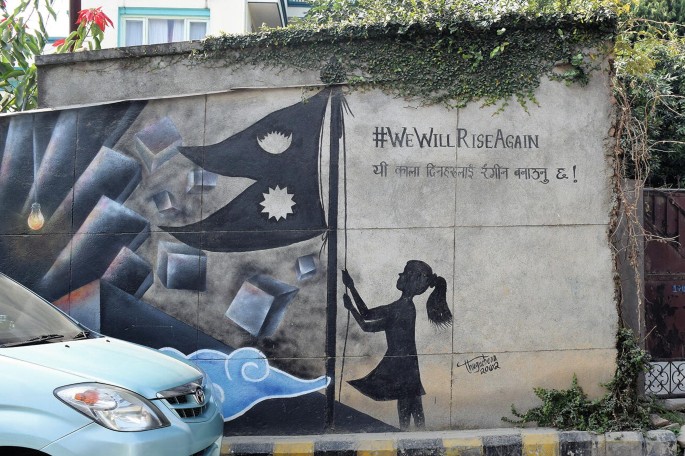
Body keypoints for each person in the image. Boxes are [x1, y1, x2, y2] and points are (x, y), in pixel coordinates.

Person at [341, 261, 452, 430]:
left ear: (412, 279)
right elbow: (367, 315)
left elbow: (366, 322)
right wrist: (351, 288)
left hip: (403, 366)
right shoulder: (403, 307)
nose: (399, 276)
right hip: (406, 365)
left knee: (408, 415)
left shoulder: (403, 308)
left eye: (404, 273)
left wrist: (351, 305)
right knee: (414, 413)